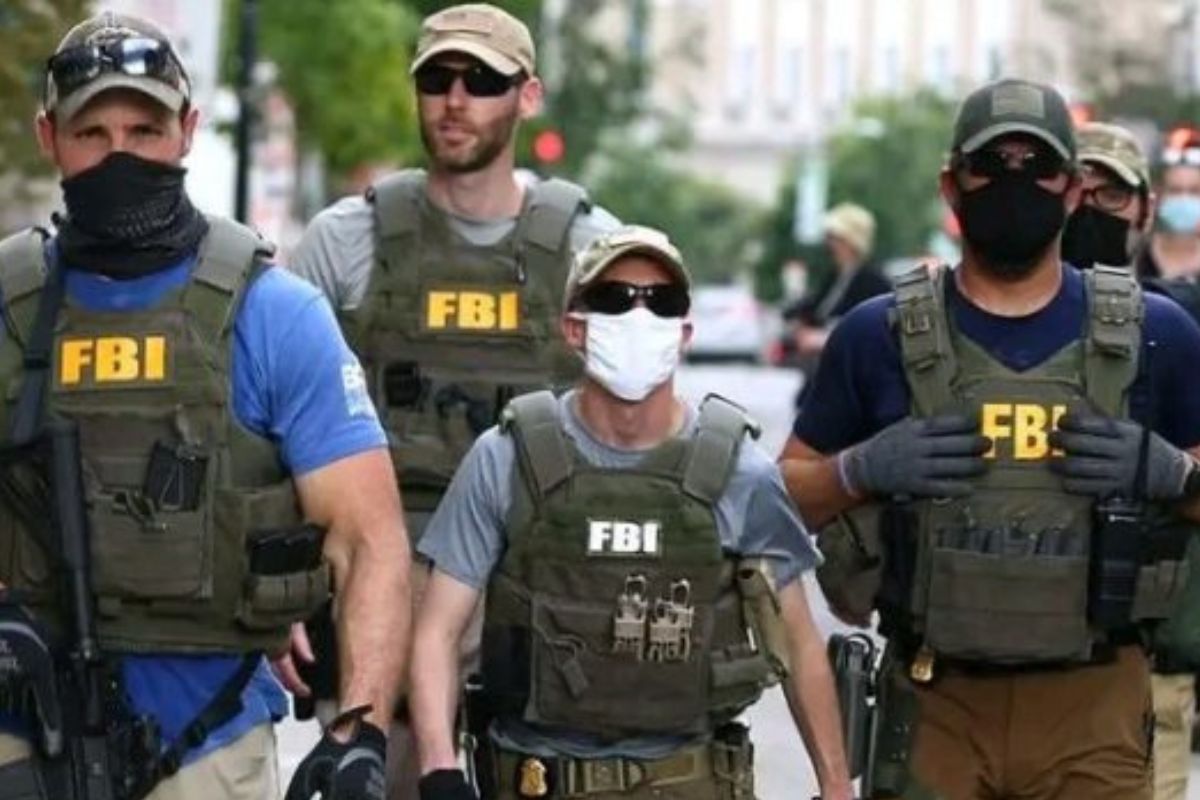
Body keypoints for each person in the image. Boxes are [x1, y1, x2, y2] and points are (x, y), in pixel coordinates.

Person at [0, 11, 410, 800]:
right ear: (49, 138)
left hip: (205, 747)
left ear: (188, 131)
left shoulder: (272, 314)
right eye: (93, 134)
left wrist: (356, 733)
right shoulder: (9, 309)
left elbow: (369, 540)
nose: (120, 155)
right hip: (21, 738)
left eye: (145, 130)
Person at [780, 78, 1200, 800]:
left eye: (1038, 166)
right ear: (952, 185)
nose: (1015, 182)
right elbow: (777, 503)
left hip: (1095, 706)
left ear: (1072, 190)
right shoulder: (878, 335)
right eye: (991, 165)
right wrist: (857, 470)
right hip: (934, 705)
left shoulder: (1156, 335)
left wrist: (1170, 474)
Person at [287, 3, 618, 797]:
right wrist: (274, 590)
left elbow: (639, 431)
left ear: (527, 95)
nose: (456, 99)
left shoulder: (590, 250)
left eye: (482, 81)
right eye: (437, 79)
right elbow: (267, 428)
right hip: (384, 580)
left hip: (538, 587)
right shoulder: (346, 241)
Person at [409, 224, 853, 800]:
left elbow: (798, 640)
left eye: (661, 302)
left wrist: (836, 785)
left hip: (688, 783)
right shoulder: (507, 457)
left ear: (683, 333)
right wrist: (439, 769)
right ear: (575, 327)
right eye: (615, 298)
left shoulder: (738, 470)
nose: (639, 316)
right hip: (536, 780)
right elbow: (437, 632)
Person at [785, 202, 890, 366]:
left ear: (852, 242)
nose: (829, 243)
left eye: (836, 238)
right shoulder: (835, 276)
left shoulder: (874, 283)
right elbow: (813, 309)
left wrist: (820, 338)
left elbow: (869, 332)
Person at [1138, 128, 1200, 280]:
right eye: (1175, 191)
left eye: (1194, 191)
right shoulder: (1134, 256)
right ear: (1158, 195)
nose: (1184, 200)